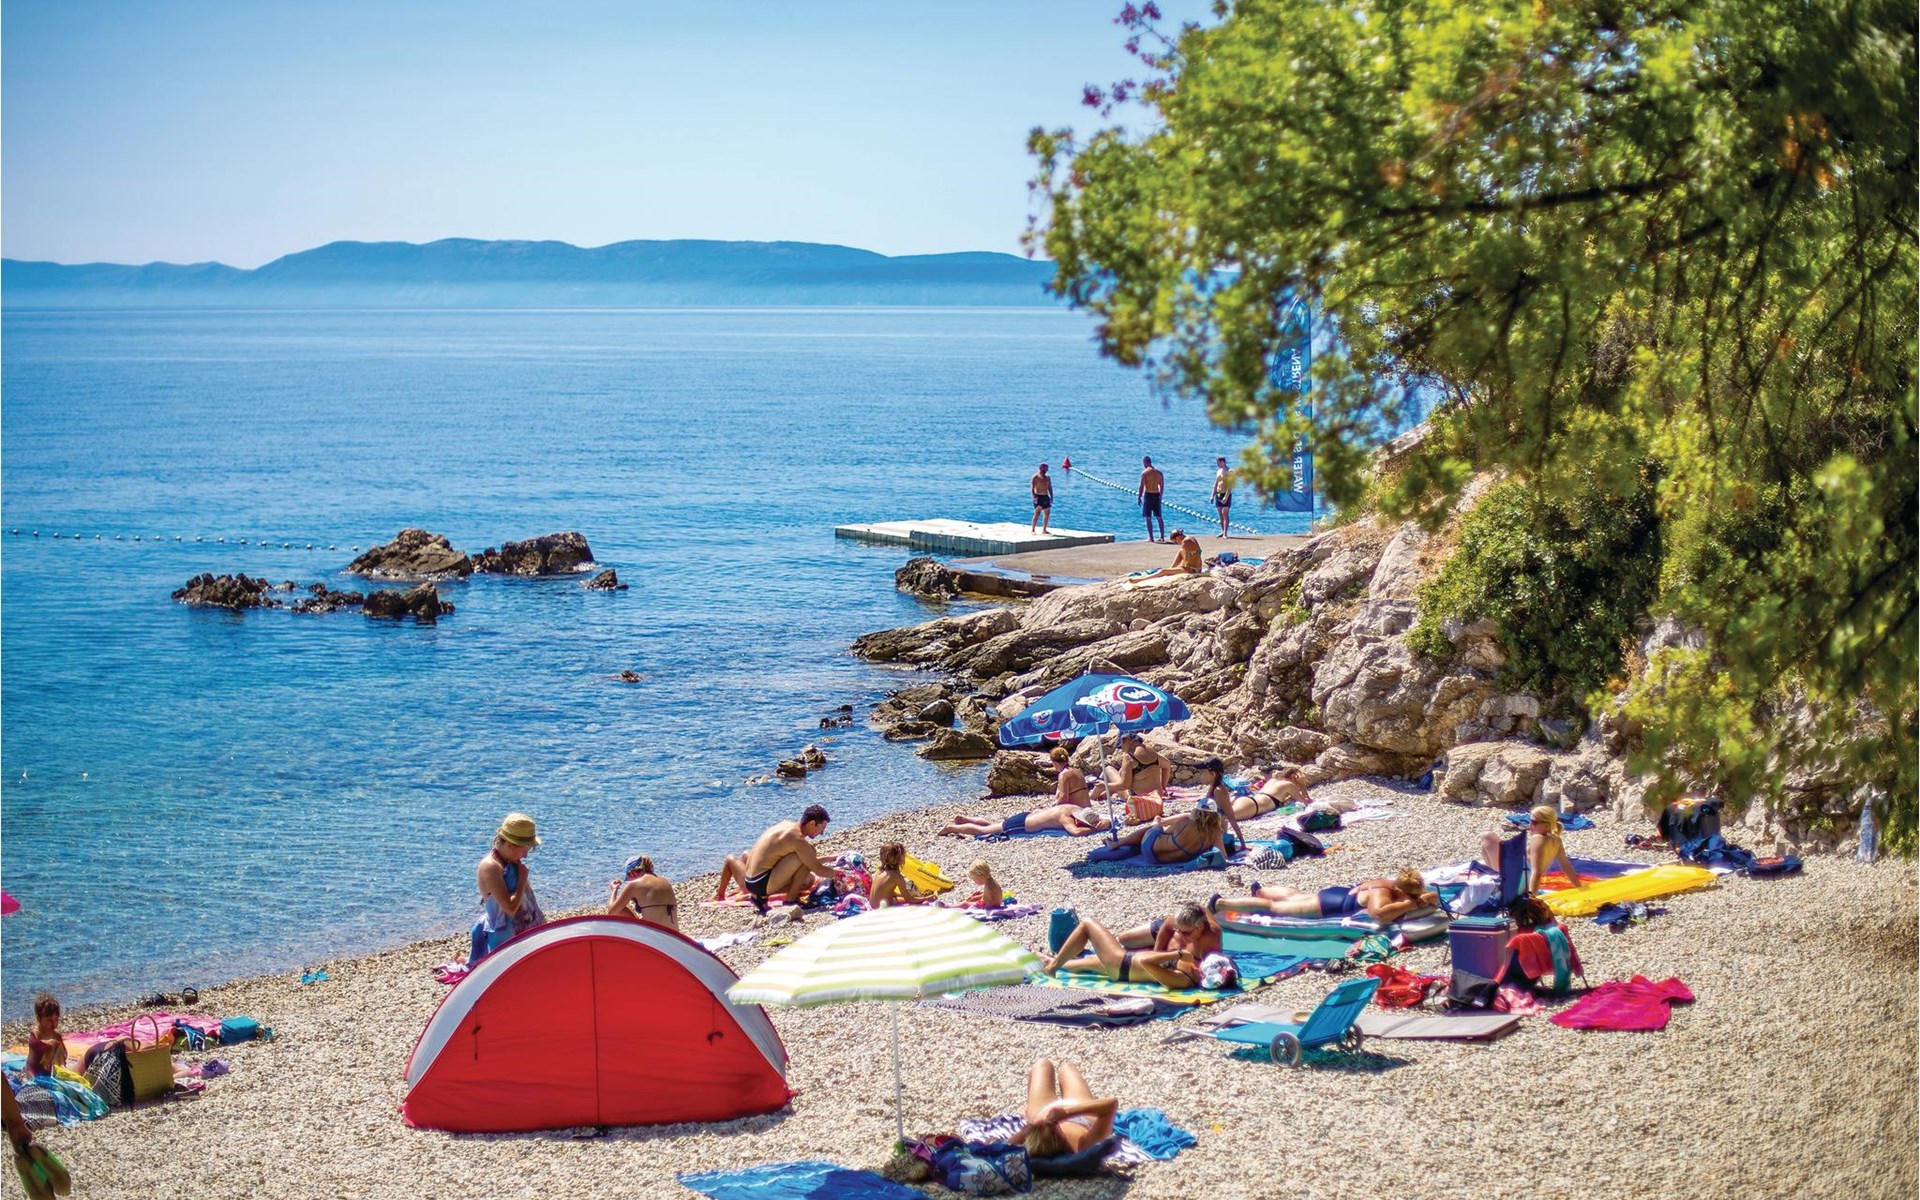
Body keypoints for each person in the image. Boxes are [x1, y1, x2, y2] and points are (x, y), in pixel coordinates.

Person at [1044, 901, 1222, 988]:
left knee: (1087, 924)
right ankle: (1046, 960)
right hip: (1125, 962)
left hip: (1122, 964)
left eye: (1204, 968)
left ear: (1204, 976)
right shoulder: (1192, 966)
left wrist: (1177, 954)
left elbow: (1147, 963)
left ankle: (1052, 967)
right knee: (1083, 964)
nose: (1200, 965)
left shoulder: (1184, 980)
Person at [714, 804, 833, 914]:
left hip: (750, 881)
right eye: (822, 829)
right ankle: (790, 900)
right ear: (812, 824)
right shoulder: (797, 838)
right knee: (808, 875)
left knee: (745, 855)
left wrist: (830, 858)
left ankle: (720, 895)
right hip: (760, 885)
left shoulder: (786, 825)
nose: (822, 833)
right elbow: (816, 868)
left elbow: (807, 860)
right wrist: (840, 874)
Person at [1214, 869, 1439, 921]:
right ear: (1400, 891)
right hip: (1329, 905)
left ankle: (1260, 890)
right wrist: (1411, 905)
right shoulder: (1383, 892)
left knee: (1296, 895)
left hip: (1337, 894)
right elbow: (1378, 914)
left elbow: (1431, 895)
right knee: (1274, 908)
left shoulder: (1397, 882)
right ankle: (1220, 903)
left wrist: (1426, 897)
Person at [469, 813, 543, 966]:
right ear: (510, 845)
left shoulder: (509, 862)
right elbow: (509, 908)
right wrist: (522, 880)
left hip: (520, 929)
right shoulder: (491, 867)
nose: (526, 855)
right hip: (505, 936)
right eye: (524, 850)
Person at [1020, 1060, 1119, 1159]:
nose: (1056, 1123)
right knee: (1067, 1067)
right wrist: (1067, 1113)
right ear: (1062, 1140)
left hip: (1043, 1110)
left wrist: (1032, 1125)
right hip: (1080, 1115)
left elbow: (1012, 1144)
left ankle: (1032, 1118)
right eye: (1053, 1125)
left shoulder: (1035, 1144)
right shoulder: (1084, 1147)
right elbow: (1112, 1104)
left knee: (1042, 1064)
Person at [1482, 805, 1581, 894]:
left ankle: (1496, 882)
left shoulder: (1538, 839)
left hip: (1516, 883)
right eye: (1529, 821)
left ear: (1547, 825)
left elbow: (1537, 872)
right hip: (1521, 881)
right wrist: (1580, 888)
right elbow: (1566, 867)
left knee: (1487, 836)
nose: (1530, 825)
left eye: (1534, 823)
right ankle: (1494, 879)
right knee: (1487, 844)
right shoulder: (1557, 840)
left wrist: (1532, 898)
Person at [1099, 804, 1229, 865]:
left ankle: (1116, 844)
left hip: (1149, 850)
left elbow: (1165, 834)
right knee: (1157, 832)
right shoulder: (1215, 832)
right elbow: (1223, 856)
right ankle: (1156, 824)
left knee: (1154, 828)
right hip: (1164, 860)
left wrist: (1159, 825)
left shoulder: (1185, 821)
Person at [939, 802, 1110, 838]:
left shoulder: (1072, 807)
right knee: (984, 831)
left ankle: (964, 819)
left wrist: (1104, 823)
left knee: (996, 825)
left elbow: (1102, 819)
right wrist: (1093, 829)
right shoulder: (1066, 818)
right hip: (1021, 825)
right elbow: (1075, 832)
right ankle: (952, 828)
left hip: (1026, 816)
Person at [607, 853, 678, 930]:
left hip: (654, 934)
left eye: (628, 877)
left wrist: (614, 890)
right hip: (673, 934)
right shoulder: (665, 881)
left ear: (632, 873)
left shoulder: (634, 884)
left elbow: (611, 912)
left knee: (621, 908)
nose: (629, 880)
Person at [1229, 766, 1310, 822]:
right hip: (1252, 806)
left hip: (1245, 799)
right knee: (1223, 818)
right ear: (1295, 776)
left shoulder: (1273, 781)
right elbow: (1306, 802)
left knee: (1221, 814)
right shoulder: (1288, 785)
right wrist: (1303, 785)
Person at [1105, 731, 1170, 800]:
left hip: (1138, 797)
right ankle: (1105, 794)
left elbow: (1125, 785)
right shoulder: (1150, 751)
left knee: (1109, 769)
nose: (1122, 750)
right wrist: (1163, 787)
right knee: (1121, 774)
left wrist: (1104, 786)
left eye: (1121, 746)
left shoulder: (1129, 757)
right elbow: (1167, 766)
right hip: (1157, 795)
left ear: (1127, 740)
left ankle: (1096, 796)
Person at [869, 842, 932, 907]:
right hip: (882, 909)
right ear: (900, 858)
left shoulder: (880, 870)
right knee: (925, 903)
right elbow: (910, 900)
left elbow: (887, 892)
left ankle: (915, 895)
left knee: (910, 887)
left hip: (874, 905)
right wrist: (927, 898)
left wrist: (904, 895)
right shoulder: (896, 876)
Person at [1136, 455, 1166, 542]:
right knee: (1159, 517)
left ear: (1145, 463)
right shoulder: (1159, 473)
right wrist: (1160, 496)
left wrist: (1139, 497)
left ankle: (1151, 538)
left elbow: (1141, 486)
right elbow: (1162, 486)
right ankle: (1162, 537)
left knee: (1148, 518)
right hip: (1156, 495)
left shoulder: (1145, 473)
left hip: (1148, 495)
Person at [1212, 455, 1235, 537]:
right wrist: (1212, 495)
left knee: (1224, 512)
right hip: (1218, 494)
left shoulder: (1229, 471)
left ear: (1222, 462)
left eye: (1218, 463)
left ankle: (1225, 533)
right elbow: (1216, 484)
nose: (1217, 464)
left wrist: (1226, 496)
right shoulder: (1218, 471)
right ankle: (1222, 531)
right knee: (1220, 514)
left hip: (1225, 493)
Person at [1030, 462, 1053, 534]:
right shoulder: (1035, 477)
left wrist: (1051, 497)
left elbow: (1050, 487)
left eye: (1046, 468)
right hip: (1038, 496)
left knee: (1047, 513)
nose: (1045, 469)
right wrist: (1034, 497)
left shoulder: (1047, 477)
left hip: (1045, 496)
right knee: (1037, 513)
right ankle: (1033, 530)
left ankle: (1044, 530)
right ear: (1040, 468)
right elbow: (1032, 488)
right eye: (1043, 468)